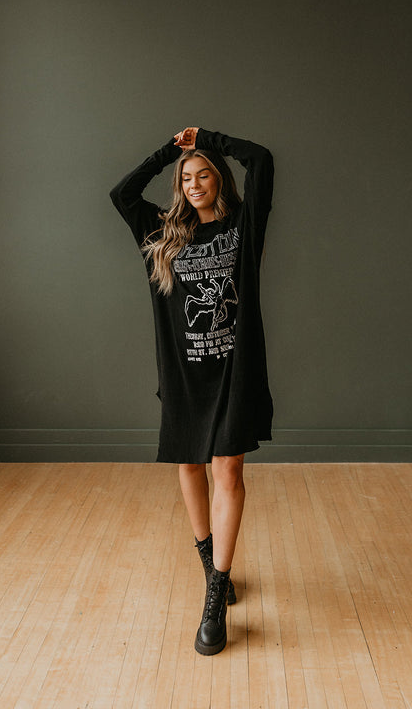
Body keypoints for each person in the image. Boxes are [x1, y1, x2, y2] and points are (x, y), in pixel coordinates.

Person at [110, 126, 274, 655]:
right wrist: (168, 152)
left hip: (234, 370)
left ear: (219, 179)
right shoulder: (162, 231)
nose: (196, 182)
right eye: (187, 177)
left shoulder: (243, 224)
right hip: (184, 374)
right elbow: (122, 193)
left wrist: (207, 138)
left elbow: (263, 159)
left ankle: (215, 596)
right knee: (189, 466)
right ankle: (211, 568)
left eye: (204, 174)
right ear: (179, 185)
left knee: (227, 468)